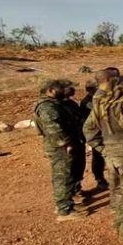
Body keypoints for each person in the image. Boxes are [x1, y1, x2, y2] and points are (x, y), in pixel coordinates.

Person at [83, 69, 123, 238]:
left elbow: (88, 129)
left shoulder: (101, 106)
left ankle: (119, 222)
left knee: (117, 189)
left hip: (111, 153)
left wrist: (102, 149)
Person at [34, 79, 88, 222]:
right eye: (62, 88)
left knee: (72, 173)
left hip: (72, 143)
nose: (67, 90)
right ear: (50, 90)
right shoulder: (47, 107)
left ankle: (70, 198)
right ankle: (64, 210)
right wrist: (66, 144)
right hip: (61, 148)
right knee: (63, 177)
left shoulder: (61, 103)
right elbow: (53, 130)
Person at [79, 80, 108, 191]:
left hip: (103, 133)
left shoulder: (97, 99)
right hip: (97, 134)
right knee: (98, 158)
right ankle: (100, 179)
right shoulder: (88, 102)